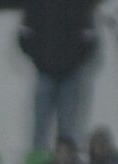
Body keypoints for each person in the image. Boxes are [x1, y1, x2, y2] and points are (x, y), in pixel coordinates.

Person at [18, 0, 96, 151]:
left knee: (66, 128)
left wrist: (75, 62)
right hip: (47, 73)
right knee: (42, 127)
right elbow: (24, 35)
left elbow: (90, 38)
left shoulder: (79, 5)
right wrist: (39, 61)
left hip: (69, 75)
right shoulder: (37, 4)